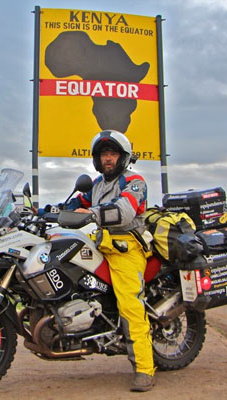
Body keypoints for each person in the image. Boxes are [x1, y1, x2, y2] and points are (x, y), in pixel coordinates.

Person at [66, 130, 155, 392]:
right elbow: (74, 205)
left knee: (130, 305)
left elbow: (124, 212)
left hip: (126, 248)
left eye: (113, 153)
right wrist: (43, 211)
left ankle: (144, 369)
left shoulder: (134, 181)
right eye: (104, 154)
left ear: (123, 157)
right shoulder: (97, 185)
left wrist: (89, 213)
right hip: (101, 245)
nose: (108, 158)